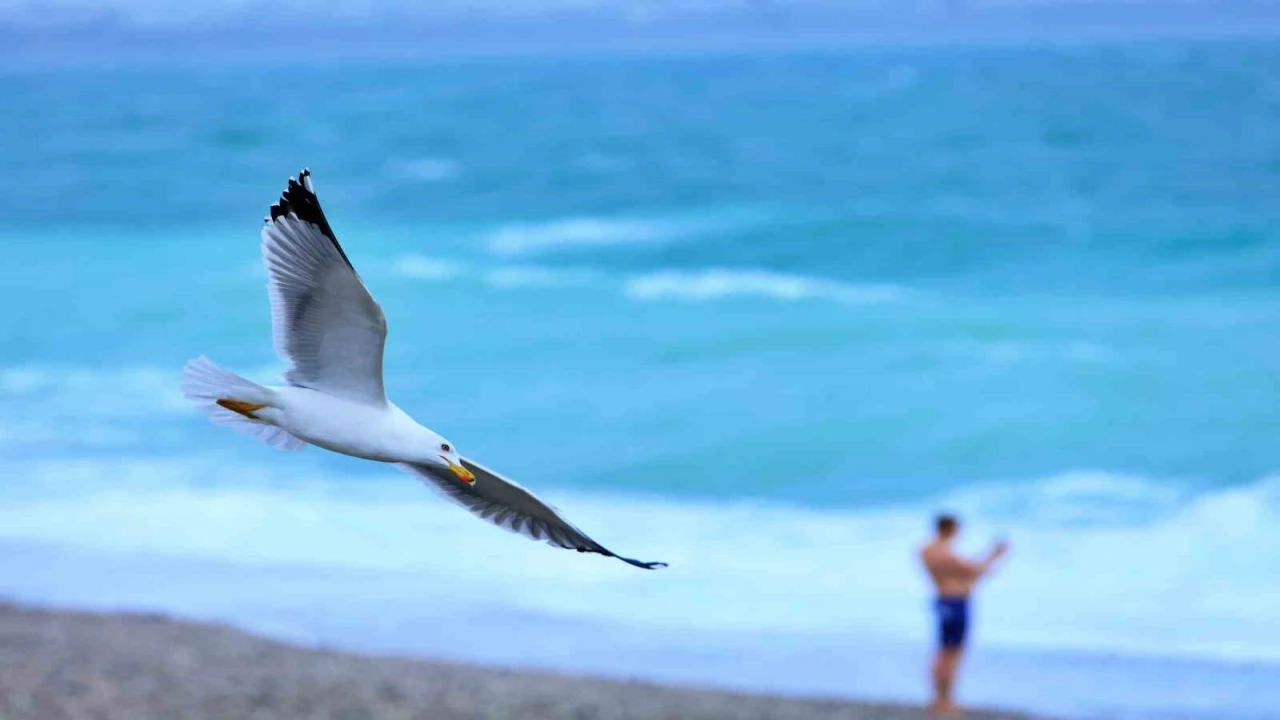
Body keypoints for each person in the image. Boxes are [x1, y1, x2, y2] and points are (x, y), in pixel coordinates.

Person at [919, 513, 1009, 717]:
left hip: (943, 601)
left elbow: (966, 574)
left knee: (943, 653)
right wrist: (995, 554)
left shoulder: (926, 550)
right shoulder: (943, 552)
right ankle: (944, 701)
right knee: (951, 654)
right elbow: (975, 571)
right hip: (955, 603)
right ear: (950, 528)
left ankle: (940, 699)